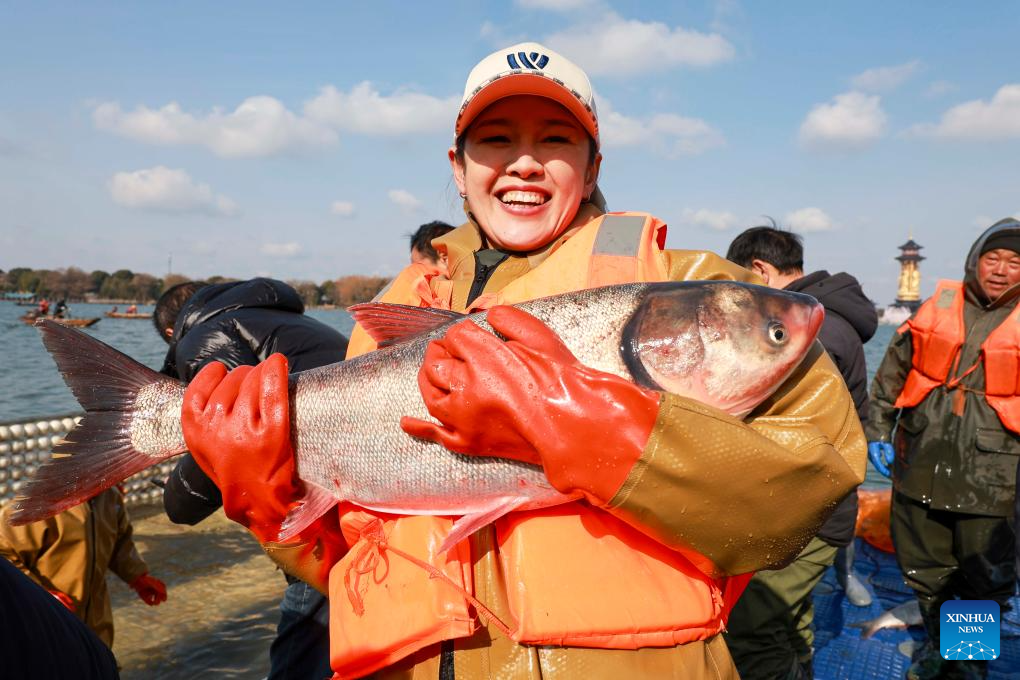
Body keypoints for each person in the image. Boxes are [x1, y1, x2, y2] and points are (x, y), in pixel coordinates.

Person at [178, 42, 865, 679]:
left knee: (964, 612)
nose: (524, 162)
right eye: (496, 140)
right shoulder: (389, 316)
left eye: (556, 140)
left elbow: (808, 487)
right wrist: (272, 505)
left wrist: (587, 430)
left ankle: (972, 655)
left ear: (594, 166)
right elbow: (349, 565)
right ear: (459, 167)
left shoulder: (703, 292)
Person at [154, 277, 349, 680]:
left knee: (303, 633)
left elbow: (227, 435)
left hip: (320, 508)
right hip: (358, 480)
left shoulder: (205, 339)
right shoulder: (290, 322)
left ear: (172, 332)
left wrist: (176, 502)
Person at [724, 224, 878, 679]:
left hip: (982, 495)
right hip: (924, 489)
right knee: (934, 584)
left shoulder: (807, 330)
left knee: (971, 593)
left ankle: (963, 664)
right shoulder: (821, 318)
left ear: (759, 270)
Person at [869, 218, 1020, 680]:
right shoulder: (936, 309)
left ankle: (965, 666)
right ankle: (943, 646)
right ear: (975, 261)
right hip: (919, 464)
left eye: (1015, 262)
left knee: (982, 579)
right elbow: (891, 375)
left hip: (993, 482)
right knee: (926, 571)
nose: (1000, 270)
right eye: (992, 258)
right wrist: (877, 430)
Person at [0, 487, 167, 649]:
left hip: (98, 623)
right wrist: (41, 597)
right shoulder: (39, 502)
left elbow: (119, 541)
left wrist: (137, 576)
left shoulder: (110, 496)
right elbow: (4, 554)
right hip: (48, 622)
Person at [0, 557, 120, 679]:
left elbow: (119, 543)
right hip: (41, 618)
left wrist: (137, 574)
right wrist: (41, 592)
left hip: (93, 618)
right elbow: (7, 551)